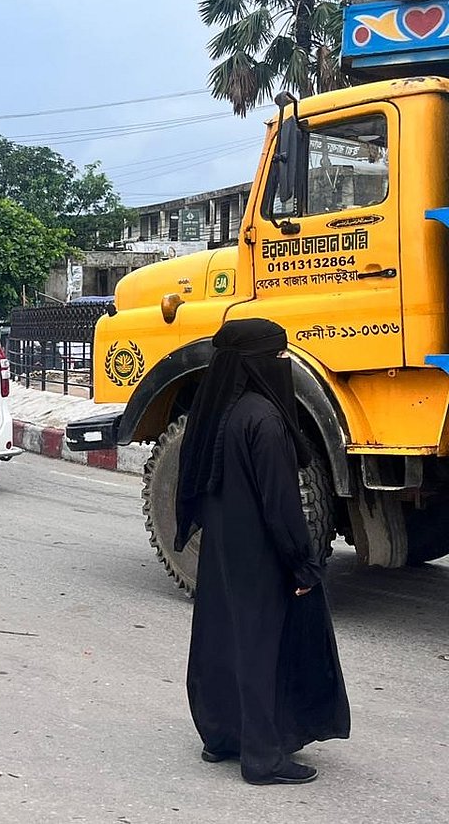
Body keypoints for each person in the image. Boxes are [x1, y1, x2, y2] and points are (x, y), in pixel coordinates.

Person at [175, 318, 350, 786]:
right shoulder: (265, 420)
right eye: (277, 357)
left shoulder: (218, 412)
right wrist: (302, 561)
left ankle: (222, 735)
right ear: (256, 362)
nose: (284, 364)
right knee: (262, 648)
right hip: (260, 555)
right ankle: (263, 757)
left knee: (222, 636)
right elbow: (281, 505)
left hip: (222, 551)